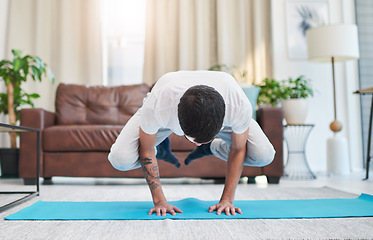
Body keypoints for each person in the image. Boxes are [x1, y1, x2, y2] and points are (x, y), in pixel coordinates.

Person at [108, 70, 275, 216]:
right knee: (120, 159)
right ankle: (160, 145)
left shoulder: (238, 105)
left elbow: (238, 149)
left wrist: (227, 200)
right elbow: (146, 149)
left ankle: (212, 147)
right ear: (180, 127)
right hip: (166, 113)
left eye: (203, 141)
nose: (197, 145)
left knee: (264, 155)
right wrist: (159, 201)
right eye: (195, 141)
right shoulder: (158, 107)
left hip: (222, 113)